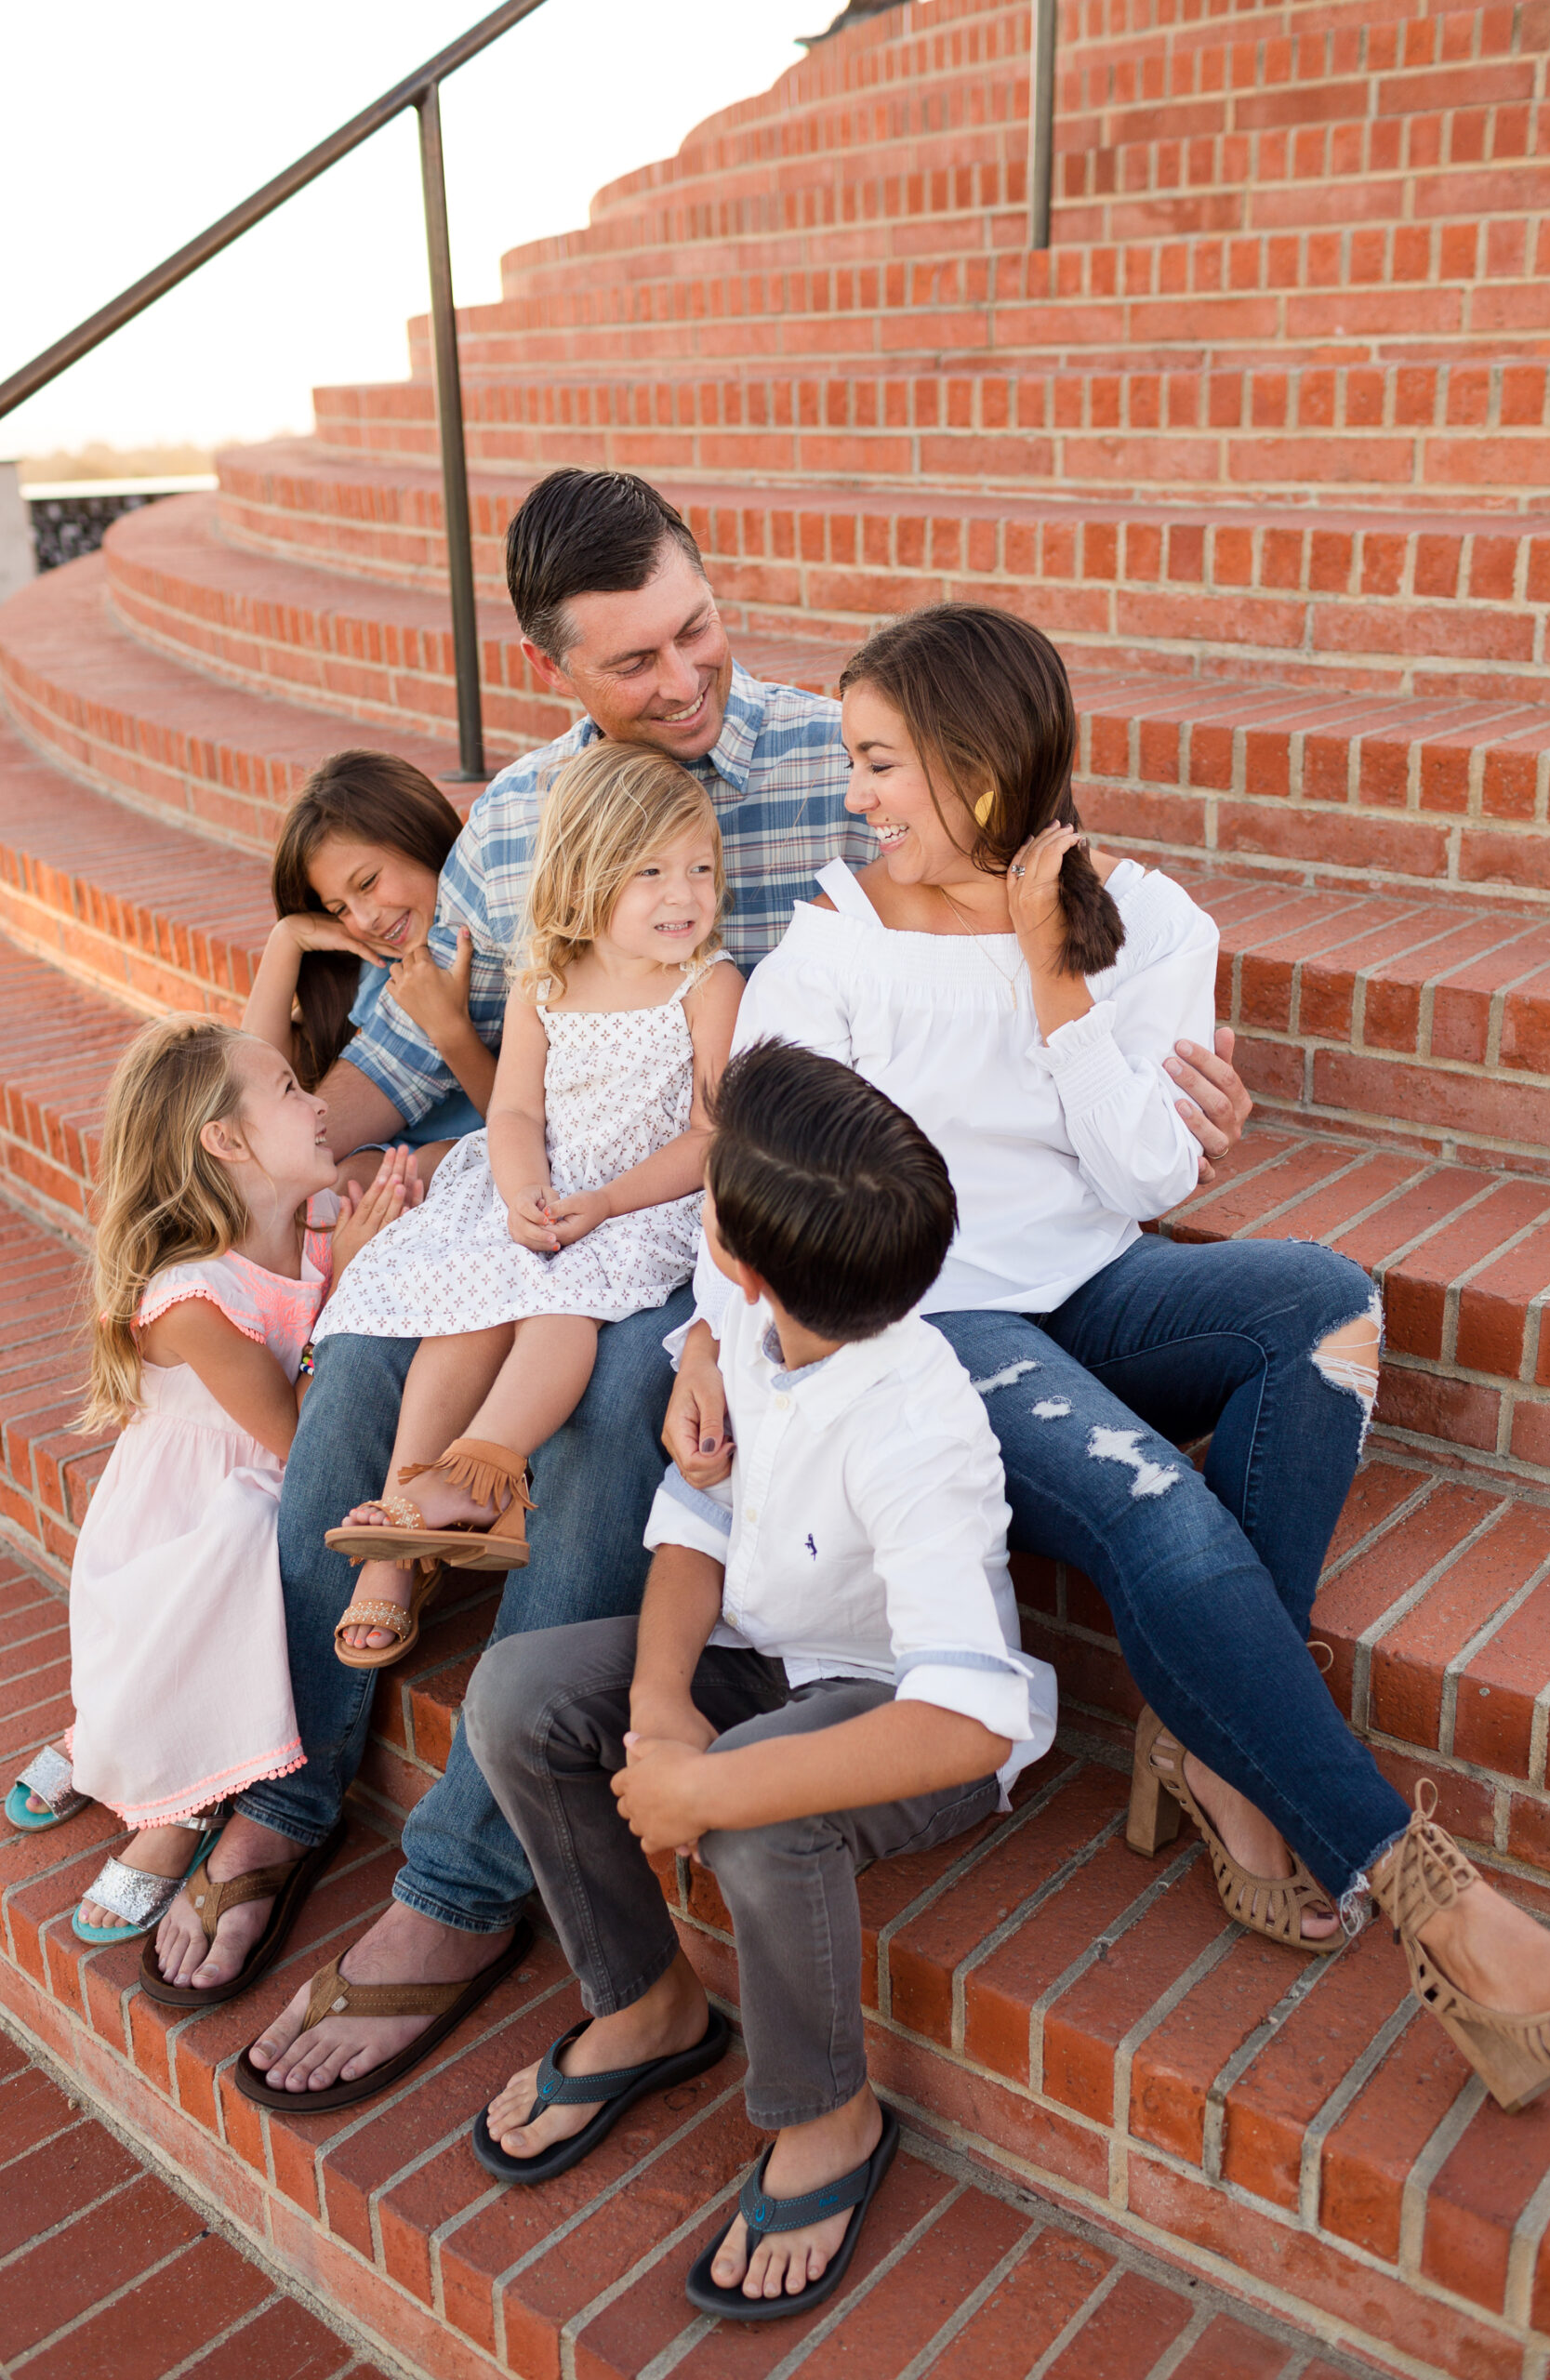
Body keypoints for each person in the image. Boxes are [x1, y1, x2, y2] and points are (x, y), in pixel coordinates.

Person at [157, 469, 1251, 2104]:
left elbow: (1030, 858)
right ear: (553, 672)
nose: (682, 681)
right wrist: (266, 1182)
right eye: (632, 664)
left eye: (697, 631)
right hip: (553, 1193)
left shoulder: (841, 752)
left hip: (731, 1207)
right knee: (376, 1355)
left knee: (616, 1398)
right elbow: (410, 1060)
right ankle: (288, 1789)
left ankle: (456, 1888)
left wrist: (1161, 1069)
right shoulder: (517, 822)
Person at [664, 602, 1550, 2112]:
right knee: (1158, 1506)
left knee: (1327, 1302)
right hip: (936, 1320)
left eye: (882, 762)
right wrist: (714, 1333)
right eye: (854, 761)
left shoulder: (1143, 917)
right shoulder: (829, 950)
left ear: (979, 766)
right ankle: (1443, 1909)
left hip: (1094, 1278)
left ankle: (1205, 1727)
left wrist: (1052, 981)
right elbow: (752, 1169)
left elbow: (1147, 1180)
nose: (857, 797)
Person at [463, 1040, 1058, 2316]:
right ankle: (646, 2005)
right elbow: (698, 1513)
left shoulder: (919, 1427)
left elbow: (962, 1720)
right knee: (515, 1696)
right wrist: (660, 1704)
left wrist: (704, 1792)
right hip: (756, 1657)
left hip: (895, 1714)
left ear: (729, 1244)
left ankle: (826, 2115)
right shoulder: (744, 1319)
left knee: (753, 1814)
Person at [311, 741, 741, 1673]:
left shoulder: (710, 985)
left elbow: (713, 1137)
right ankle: (396, 1534)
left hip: (642, 1203)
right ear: (585, 878)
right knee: (462, 1312)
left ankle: (483, 1470)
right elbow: (511, 1110)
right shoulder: (548, 983)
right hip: (538, 1187)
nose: (685, 895)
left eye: (701, 869)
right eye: (652, 873)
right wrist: (517, 1195)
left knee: (557, 1312)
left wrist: (604, 1200)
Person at [13, 1018, 413, 1954]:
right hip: (188, 1509)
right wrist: (348, 1287)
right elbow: (299, 1440)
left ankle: (118, 1741)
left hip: (264, 1494)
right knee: (235, 1539)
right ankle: (172, 1800)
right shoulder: (193, 1296)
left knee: (253, 1531)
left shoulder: (321, 1225)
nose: (318, 1103)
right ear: (226, 1143)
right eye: (286, 1089)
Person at [243, 748, 495, 1157]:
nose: (364, 919)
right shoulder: (366, 968)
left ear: (419, 836)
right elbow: (252, 1092)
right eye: (338, 909)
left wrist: (449, 1029)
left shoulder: (489, 948)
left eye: (367, 883)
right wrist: (286, 940)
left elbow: (520, 1121)